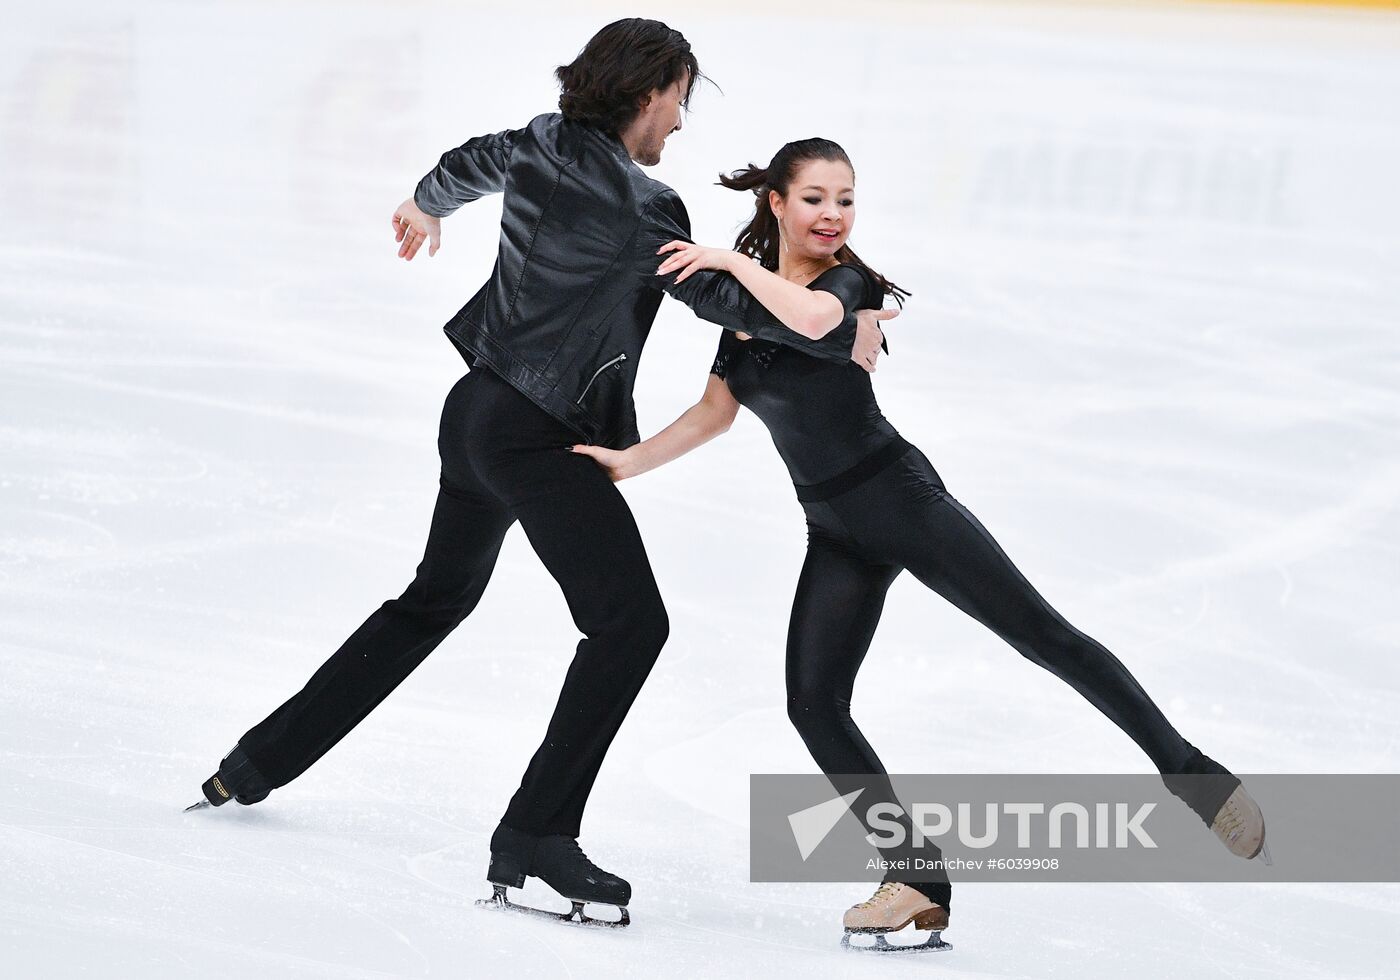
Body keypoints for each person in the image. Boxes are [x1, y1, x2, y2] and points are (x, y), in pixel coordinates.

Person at [187, 21, 893, 927]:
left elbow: (461, 163)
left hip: (475, 411)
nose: (680, 119)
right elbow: (727, 303)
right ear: (649, 93)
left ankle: (252, 764)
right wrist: (844, 305)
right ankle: (537, 835)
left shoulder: (537, 142)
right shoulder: (647, 209)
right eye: (680, 96)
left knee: (435, 599)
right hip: (539, 438)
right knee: (630, 626)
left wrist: (422, 205)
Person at [570, 137, 1269, 946]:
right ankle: (916, 873)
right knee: (813, 704)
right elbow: (714, 413)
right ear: (778, 203)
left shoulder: (846, 285)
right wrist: (630, 461)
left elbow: (814, 317)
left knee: (1043, 636)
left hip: (902, 501)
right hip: (833, 527)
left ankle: (1191, 774)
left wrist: (731, 263)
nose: (833, 215)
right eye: (815, 199)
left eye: (846, 199)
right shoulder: (746, 311)